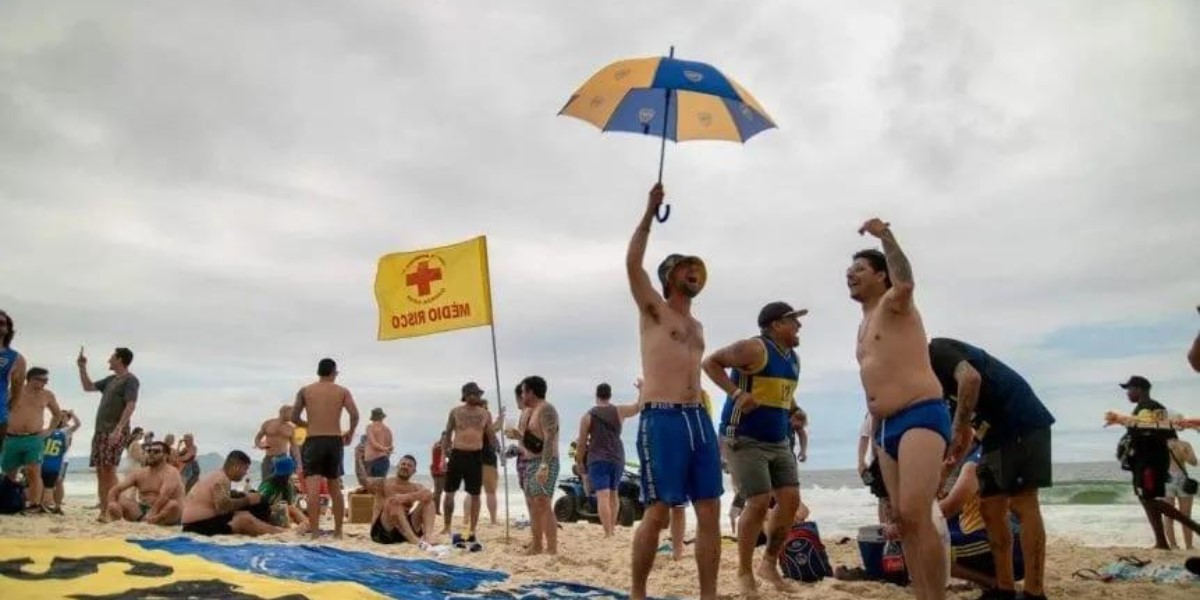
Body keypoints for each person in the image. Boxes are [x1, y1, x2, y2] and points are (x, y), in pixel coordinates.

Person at [625, 183, 723, 600]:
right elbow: (633, 263)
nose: (693, 272)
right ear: (669, 277)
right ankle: (638, 592)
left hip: (697, 417)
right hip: (661, 416)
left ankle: (708, 595)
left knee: (710, 509)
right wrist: (650, 211)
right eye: (685, 268)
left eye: (696, 268)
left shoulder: (697, 326)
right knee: (659, 510)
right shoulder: (654, 311)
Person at [849, 220, 950, 600]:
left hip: (920, 413)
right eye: (849, 271)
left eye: (860, 269)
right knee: (901, 522)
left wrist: (885, 237)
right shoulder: (863, 324)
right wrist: (873, 439)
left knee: (915, 512)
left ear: (881, 276)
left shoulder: (895, 304)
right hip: (885, 427)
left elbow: (905, 282)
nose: (851, 275)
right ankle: (922, 594)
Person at [927, 338, 1055, 600]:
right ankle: (1004, 588)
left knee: (1023, 503)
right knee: (991, 508)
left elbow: (971, 380)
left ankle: (1034, 592)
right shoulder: (933, 385)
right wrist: (945, 471)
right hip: (992, 435)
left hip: (1021, 421)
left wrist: (955, 430)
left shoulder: (936, 351)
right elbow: (965, 433)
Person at [704, 301, 806, 594]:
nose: (799, 326)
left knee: (791, 501)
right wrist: (736, 393)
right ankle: (744, 572)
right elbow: (710, 363)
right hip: (743, 437)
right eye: (793, 321)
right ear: (776, 324)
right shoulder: (754, 348)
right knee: (759, 501)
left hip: (778, 440)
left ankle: (769, 564)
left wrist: (795, 410)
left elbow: (781, 392)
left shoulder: (794, 359)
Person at [939, 444, 1026, 590]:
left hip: (1008, 547)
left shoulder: (974, 463)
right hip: (1020, 544)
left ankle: (991, 582)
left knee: (927, 544)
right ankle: (990, 580)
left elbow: (948, 509)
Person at [291, 357, 359, 540]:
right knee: (334, 488)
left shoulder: (305, 391)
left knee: (312, 490)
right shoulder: (342, 391)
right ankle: (338, 532)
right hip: (334, 440)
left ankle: (314, 533)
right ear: (333, 372)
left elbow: (294, 417)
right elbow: (354, 414)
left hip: (313, 440)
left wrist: (308, 425)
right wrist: (350, 432)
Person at [77, 346, 140, 518]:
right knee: (100, 471)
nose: (109, 360)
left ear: (120, 359)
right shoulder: (111, 379)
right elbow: (88, 387)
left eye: (112, 357)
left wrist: (119, 428)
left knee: (109, 470)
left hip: (114, 430)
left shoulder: (130, 380)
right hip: (100, 430)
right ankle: (104, 509)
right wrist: (82, 367)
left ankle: (113, 510)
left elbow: (131, 405)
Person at [575, 382, 641, 537]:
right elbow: (638, 407)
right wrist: (642, 390)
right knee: (613, 493)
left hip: (597, 459)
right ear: (610, 396)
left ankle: (608, 533)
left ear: (596, 395)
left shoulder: (587, 416)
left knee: (602, 495)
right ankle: (612, 528)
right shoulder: (619, 411)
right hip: (617, 458)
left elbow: (581, 444)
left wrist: (579, 462)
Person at [2, 366, 63, 512]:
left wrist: (49, 430)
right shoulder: (14, 391)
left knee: (34, 471)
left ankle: (35, 505)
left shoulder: (47, 395)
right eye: (42, 380)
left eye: (46, 380)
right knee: (10, 472)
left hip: (34, 438)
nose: (45, 383)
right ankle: (9, 503)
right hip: (12, 438)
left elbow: (57, 414)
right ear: (31, 379)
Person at [182, 450, 281, 536]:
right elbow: (223, 506)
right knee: (244, 519)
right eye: (245, 469)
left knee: (242, 513)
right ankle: (279, 533)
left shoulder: (215, 475)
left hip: (193, 524)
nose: (245, 473)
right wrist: (248, 500)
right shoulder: (221, 479)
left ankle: (272, 528)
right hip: (197, 526)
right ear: (236, 467)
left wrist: (240, 495)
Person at [440, 381, 492, 542]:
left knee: (475, 494)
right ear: (465, 395)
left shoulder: (485, 414)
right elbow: (447, 434)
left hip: (475, 456)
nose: (475, 396)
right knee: (449, 492)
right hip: (457, 454)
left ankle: (472, 529)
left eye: (477, 393)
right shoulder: (455, 412)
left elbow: (490, 435)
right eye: (472, 393)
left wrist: (500, 451)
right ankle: (447, 526)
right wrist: (443, 457)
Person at [518, 375, 561, 554]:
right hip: (530, 461)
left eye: (523, 392)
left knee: (542, 503)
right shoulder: (530, 411)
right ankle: (536, 544)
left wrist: (544, 466)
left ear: (531, 392)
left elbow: (549, 438)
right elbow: (533, 440)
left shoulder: (546, 409)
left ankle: (551, 548)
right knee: (533, 505)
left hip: (545, 461)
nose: (522, 395)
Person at [103, 441, 184, 525]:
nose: (151, 454)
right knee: (120, 499)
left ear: (165, 455)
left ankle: (154, 520)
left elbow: (165, 495)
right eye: (149, 451)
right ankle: (143, 521)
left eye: (156, 451)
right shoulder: (140, 473)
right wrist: (112, 503)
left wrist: (153, 511)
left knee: (173, 505)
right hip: (143, 510)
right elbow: (116, 489)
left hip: (164, 510)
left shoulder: (171, 472)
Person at [365, 454, 438, 547]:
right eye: (403, 464)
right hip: (385, 530)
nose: (405, 466)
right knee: (393, 502)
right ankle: (414, 540)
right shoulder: (384, 483)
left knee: (429, 502)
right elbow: (366, 482)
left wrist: (406, 497)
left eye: (409, 465)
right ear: (397, 466)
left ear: (414, 471)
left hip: (405, 530)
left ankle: (428, 536)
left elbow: (429, 494)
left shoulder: (414, 487)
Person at [41, 409, 81, 513]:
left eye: (63, 416)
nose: (61, 418)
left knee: (58, 481)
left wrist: (73, 414)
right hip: (47, 459)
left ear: (67, 419)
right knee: (44, 481)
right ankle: (43, 504)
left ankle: (57, 505)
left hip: (62, 459)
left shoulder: (67, 430)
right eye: (59, 416)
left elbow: (78, 424)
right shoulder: (50, 429)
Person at [1164, 432, 1197, 550]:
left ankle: (1174, 545)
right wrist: (1183, 452)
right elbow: (1194, 462)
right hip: (1181, 478)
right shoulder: (1184, 444)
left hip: (1166, 479)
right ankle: (1188, 546)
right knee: (1185, 516)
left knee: (1168, 515)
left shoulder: (1160, 444)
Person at [0, 310, 27, 454]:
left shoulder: (16, 358)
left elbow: (17, 391)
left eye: (1, 323)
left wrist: (6, 409)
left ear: (7, 329)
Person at [258, 455, 307, 529]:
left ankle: (307, 524)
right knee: (288, 508)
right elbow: (260, 507)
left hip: (280, 513)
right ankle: (307, 524)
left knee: (294, 507)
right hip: (266, 515)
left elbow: (289, 503)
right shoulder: (268, 486)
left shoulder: (287, 484)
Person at [255, 405, 299, 486]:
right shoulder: (268, 423)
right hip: (269, 458)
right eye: (291, 413)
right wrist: (259, 445)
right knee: (266, 483)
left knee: (283, 483)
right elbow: (257, 438)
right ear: (284, 412)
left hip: (283, 457)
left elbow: (294, 447)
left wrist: (297, 462)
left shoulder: (291, 428)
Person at [365, 407, 394, 479]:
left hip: (371, 461)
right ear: (382, 417)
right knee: (380, 484)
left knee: (370, 484)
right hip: (383, 460)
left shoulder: (370, 427)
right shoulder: (387, 430)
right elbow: (390, 448)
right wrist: (386, 450)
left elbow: (373, 443)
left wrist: (384, 449)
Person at [430, 438, 447, 515]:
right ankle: (435, 509)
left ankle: (433, 508)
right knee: (438, 492)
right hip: (438, 472)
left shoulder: (437, 446)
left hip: (438, 471)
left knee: (438, 491)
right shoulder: (439, 447)